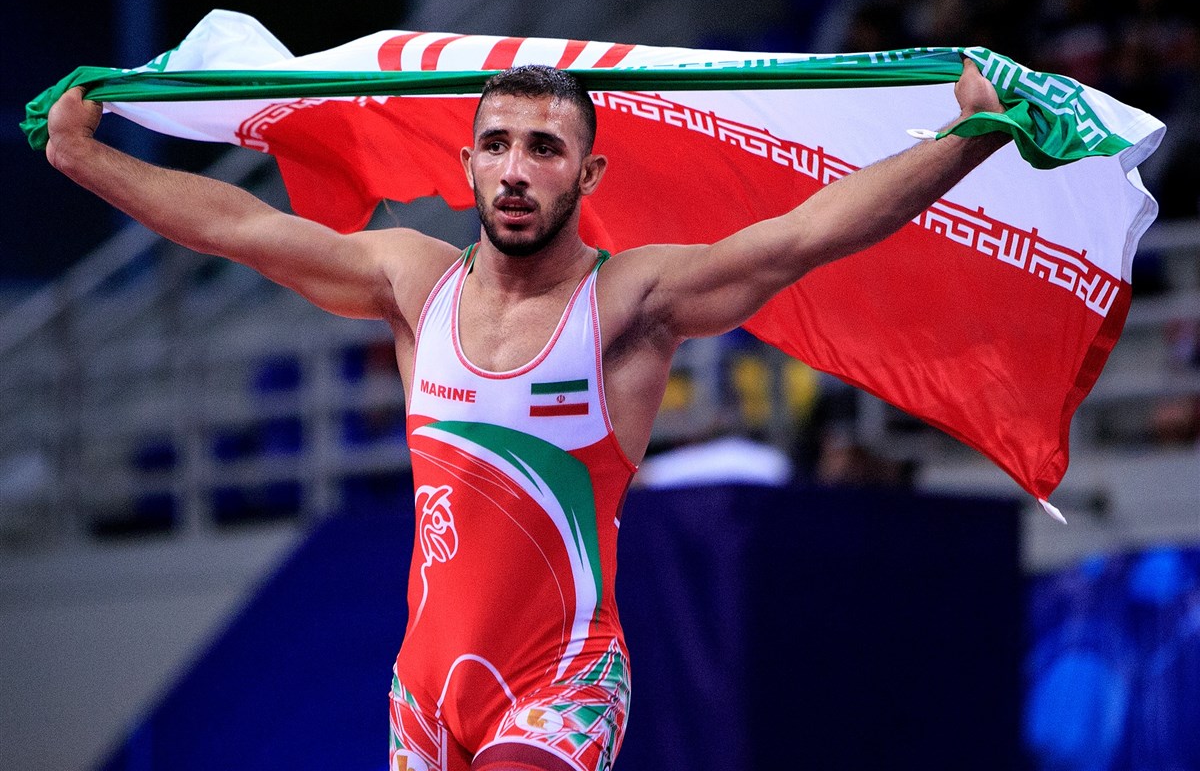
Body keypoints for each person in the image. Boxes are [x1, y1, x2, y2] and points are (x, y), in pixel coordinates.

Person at [45, 60, 1007, 771]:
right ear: (467, 161)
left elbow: (805, 235)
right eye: (498, 145)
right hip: (423, 697)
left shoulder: (629, 302)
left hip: (562, 686)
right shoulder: (412, 282)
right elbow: (240, 227)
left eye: (545, 149)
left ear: (588, 176)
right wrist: (82, 155)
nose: (516, 169)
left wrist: (970, 136)